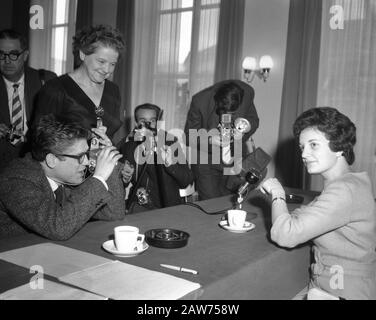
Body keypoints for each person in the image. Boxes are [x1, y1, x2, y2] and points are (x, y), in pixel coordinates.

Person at [260, 107, 376, 300]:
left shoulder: (345, 190)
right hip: (331, 284)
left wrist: (278, 194)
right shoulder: (348, 183)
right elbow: (309, 212)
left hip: (342, 290)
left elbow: (285, 234)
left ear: (339, 147)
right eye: (302, 147)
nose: (304, 154)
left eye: (313, 145)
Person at [0, 113, 125, 240]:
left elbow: (113, 213)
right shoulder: (16, 180)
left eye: (86, 154)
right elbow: (58, 228)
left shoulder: (68, 174)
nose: (86, 162)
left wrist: (109, 161)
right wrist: (98, 177)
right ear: (52, 160)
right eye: (80, 156)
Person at [32, 24, 124, 140]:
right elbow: (40, 138)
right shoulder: (55, 89)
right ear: (83, 54)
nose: (107, 70)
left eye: (112, 64)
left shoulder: (113, 90)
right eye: (101, 61)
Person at [184, 80, 259, 200]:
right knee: (211, 204)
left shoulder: (248, 93)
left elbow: (253, 120)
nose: (227, 117)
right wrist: (209, 140)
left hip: (235, 161)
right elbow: (188, 136)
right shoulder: (200, 101)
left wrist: (244, 128)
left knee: (231, 202)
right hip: (206, 162)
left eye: (233, 113)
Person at [119, 103, 194, 213]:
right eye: (142, 120)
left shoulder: (170, 142)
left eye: (152, 120)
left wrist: (170, 164)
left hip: (167, 207)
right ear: (136, 123)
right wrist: (124, 178)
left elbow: (187, 180)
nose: (148, 124)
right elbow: (120, 183)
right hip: (138, 205)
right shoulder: (128, 146)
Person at [0, 29, 56, 171]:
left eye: (13, 54)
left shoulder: (46, 80)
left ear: (25, 55)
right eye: (1, 54)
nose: (7, 60)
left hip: (37, 164)